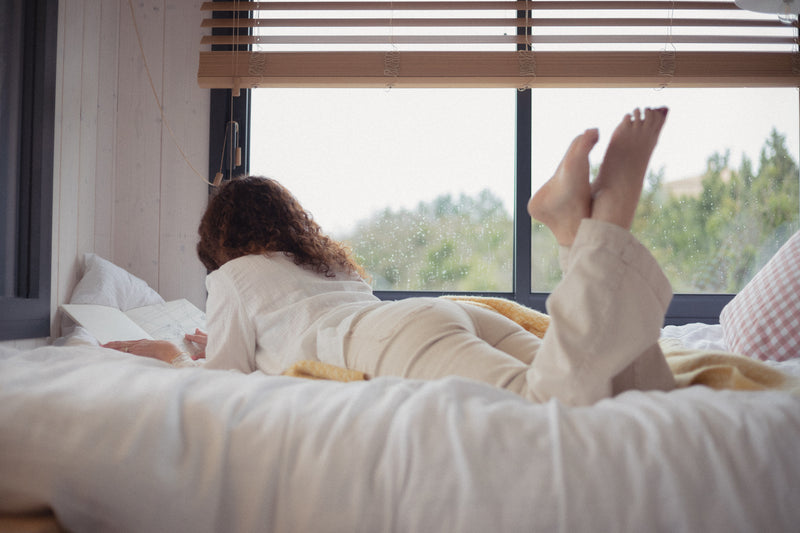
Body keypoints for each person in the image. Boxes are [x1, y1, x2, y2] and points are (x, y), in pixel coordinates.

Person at [105, 107, 676, 406]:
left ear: (220, 245)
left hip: (393, 341)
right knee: (610, 379)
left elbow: (224, 379)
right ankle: (581, 235)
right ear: (287, 221)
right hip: (433, 319)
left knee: (551, 405)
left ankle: (580, 234)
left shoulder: (233, 275)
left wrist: (172, 353)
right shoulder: (324, 264)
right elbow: (271, 336)